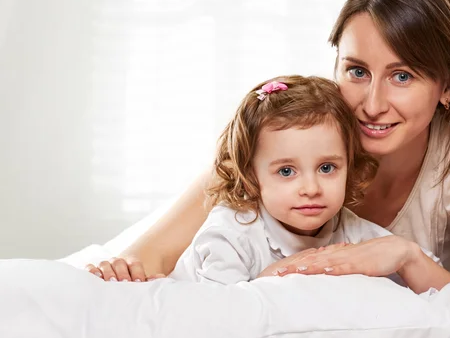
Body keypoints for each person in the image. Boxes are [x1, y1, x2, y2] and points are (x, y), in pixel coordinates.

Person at [86, 0, 450, 293]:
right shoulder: (297, 131)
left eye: (403, 75)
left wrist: (406, 258)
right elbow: (153, 255)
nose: (372, 104)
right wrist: (124, 273)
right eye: (357, 71)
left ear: (447, 85)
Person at [168, 75, 419, 284]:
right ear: (250, 178)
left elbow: (431, 285)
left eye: (327, 168)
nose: (311, 189)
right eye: (286, 171)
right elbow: (224, 322)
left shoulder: (352, 230)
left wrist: (408, 256)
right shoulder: (229, 234)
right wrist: (277, 276)